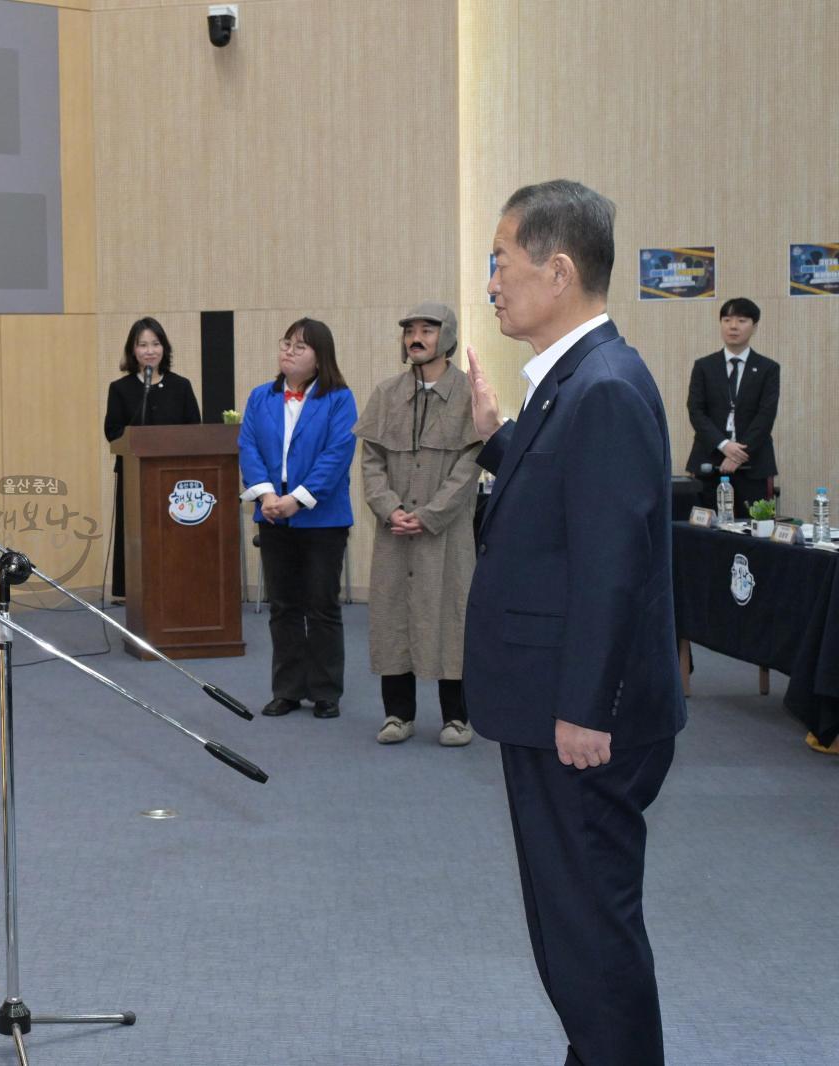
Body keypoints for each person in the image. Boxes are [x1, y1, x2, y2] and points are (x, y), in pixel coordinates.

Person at [465, 179, 687, 1065]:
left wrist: (587, 709)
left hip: (582, 722)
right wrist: (494, 439)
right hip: (555, 706)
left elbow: (611, 569)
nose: (492, 282)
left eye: (501, 262)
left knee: (590, 940)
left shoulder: (602, 390)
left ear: (558, 272)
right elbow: (561, 510)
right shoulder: (574, 383)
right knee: (574, 935)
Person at [355, 303, 481, 746]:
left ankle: (457, 717)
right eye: (410, 330)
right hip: (394, 530)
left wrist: (429, 516)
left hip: (445, 534)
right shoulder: (386, 393)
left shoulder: (470, 395)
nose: (416, 338)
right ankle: (398, 715)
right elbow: (370, 461)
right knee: (394, 615)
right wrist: (389, 509)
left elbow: (472, 464)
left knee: (451, 615)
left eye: (427, 330)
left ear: (445, 336)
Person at [237, 317, 357, 719]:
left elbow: (338, 455)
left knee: (321, 604)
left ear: (320, 358)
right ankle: (287, 689)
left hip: (322, 517)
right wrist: (269, 495)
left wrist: (298, 500)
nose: (288, 351)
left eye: (300, 346)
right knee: (283, 605)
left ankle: (326, 691)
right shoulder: (260, 397)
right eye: (286, 343)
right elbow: (248, 447)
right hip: (273, 514)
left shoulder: (339, 398)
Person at [103, 316, 202, 601]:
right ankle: (130, 590)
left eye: (155, 344)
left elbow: (194, 429)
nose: (149, 350)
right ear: (132, 351)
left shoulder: (181, 386)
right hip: (134, 476)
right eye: (143, 344)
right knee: (135, 532)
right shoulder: (120, 389)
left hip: (175, 478)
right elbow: (113, 432)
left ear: (164, 348)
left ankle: (175, 584)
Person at [685, 297, 779, 518]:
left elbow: (766, 415)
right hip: (709, 462)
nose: (733, 326)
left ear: (754, 326)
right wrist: (724, 445)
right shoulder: (704, 366)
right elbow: (696, 411)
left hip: (752, 464)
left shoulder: (768, 368)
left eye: (741, 320)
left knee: (753, 530)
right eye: (727, 320)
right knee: (704, 533)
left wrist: (737, 455)